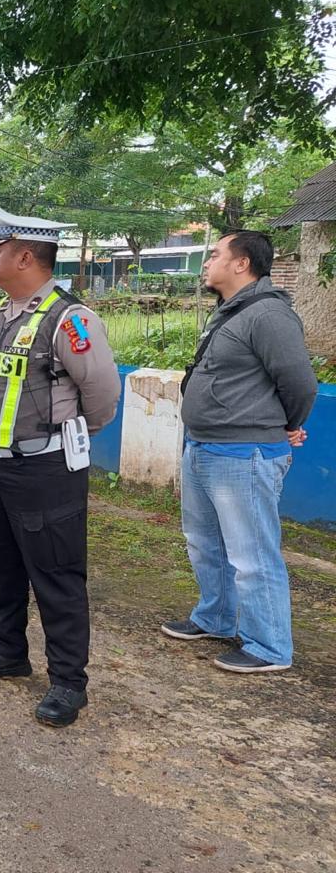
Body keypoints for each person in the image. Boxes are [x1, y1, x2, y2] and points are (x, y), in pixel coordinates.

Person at [0, 205, 121, 728]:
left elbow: (102, 395)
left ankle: (68, 681)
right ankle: (7, 649)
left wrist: (65, 436)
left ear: (25, 257)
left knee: (56, 574)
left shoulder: (70, 319)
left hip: (45, 470)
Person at [163, 230, 318, 674]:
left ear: (241, 263)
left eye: (215, 254)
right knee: (204, 543)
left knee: (252, 555)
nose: (206, 262)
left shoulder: (269, 314)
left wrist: (286, 426)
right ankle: (215, 617)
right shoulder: (230, 310)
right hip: (203, 445)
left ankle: (268, 646)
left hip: (244, 452)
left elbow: (300, 383)